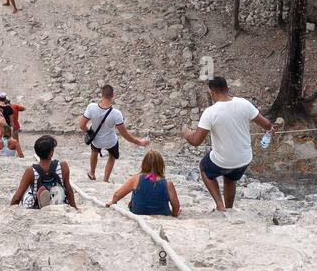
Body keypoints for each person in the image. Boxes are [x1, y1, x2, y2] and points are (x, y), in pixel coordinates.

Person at [182, 76, 273, 211]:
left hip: (223, 160)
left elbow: (196, 141)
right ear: (227, 89)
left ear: (211, 92)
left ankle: (220, 205)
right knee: (230, 178)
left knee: (204, 169)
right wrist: (270, 130)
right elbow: (266, 124)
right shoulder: (244, 104)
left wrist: (187, 133)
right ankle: (229, 209)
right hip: (244, 159)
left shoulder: (210, 112)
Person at [79, 84, 149, 183]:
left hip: (96, 140)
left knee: (94, 152)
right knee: (112, 157)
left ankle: (92, 173)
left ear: (101, 94)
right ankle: (105, 180)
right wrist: (139, 142)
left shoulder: (91, 107)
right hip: (110, 142)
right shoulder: (116, 114)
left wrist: (90, 132)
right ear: (113, 95)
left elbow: (82, 125)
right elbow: (125, 135)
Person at [11, 136, 77, 209]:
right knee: (62, 191)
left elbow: (17, 198)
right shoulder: (63, 166)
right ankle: (54, 199)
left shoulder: (30, 171)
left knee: (27, 192)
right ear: (51, 153)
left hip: (37, 207)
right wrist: (75, 208)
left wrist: (11, 209)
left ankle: (41, 199)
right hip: (60, 201)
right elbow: (69, 191)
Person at [107, 150, 180, 217]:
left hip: (138, 213)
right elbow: (176, 206)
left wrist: (113, 202)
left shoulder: (136, 179)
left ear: (144, 164)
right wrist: (174, 215)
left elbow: (117, 195)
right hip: (162, 214)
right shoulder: (168, 184)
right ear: (161, 165)